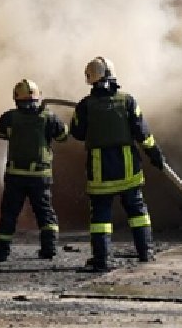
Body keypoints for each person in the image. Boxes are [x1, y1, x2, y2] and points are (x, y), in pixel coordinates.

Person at [70, 57, 165, 271]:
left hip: (100, 169)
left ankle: (101, 260)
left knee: (101, 215)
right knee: (137, 211)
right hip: (127, 166)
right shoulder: (127, 101)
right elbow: (143, 133)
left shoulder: (85, 105)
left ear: (90, 78)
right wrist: (155, 155)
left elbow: (76, 133)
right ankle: (145, 253)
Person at [0, 78, 69, 262]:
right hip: (40, 175)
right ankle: (48, 249)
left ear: (16, 98)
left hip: (15, 175)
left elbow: (0, 132)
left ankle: (1, 253)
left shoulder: (10, 117)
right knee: (44, 212)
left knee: (9, 214)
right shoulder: (48, 117)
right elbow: (63, 136)